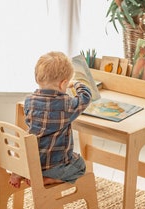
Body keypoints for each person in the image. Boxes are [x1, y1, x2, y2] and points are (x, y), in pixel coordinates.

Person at [9, 51, 92, 188]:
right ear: (63, 83)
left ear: (37, 79)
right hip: (54, 165)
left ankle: (19, 172)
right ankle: (49, 179)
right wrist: (76, 84)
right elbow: (85, 97)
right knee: (80, 165)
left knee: (38, 143)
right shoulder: (66, 104)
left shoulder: (29, 101)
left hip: (31, 161)